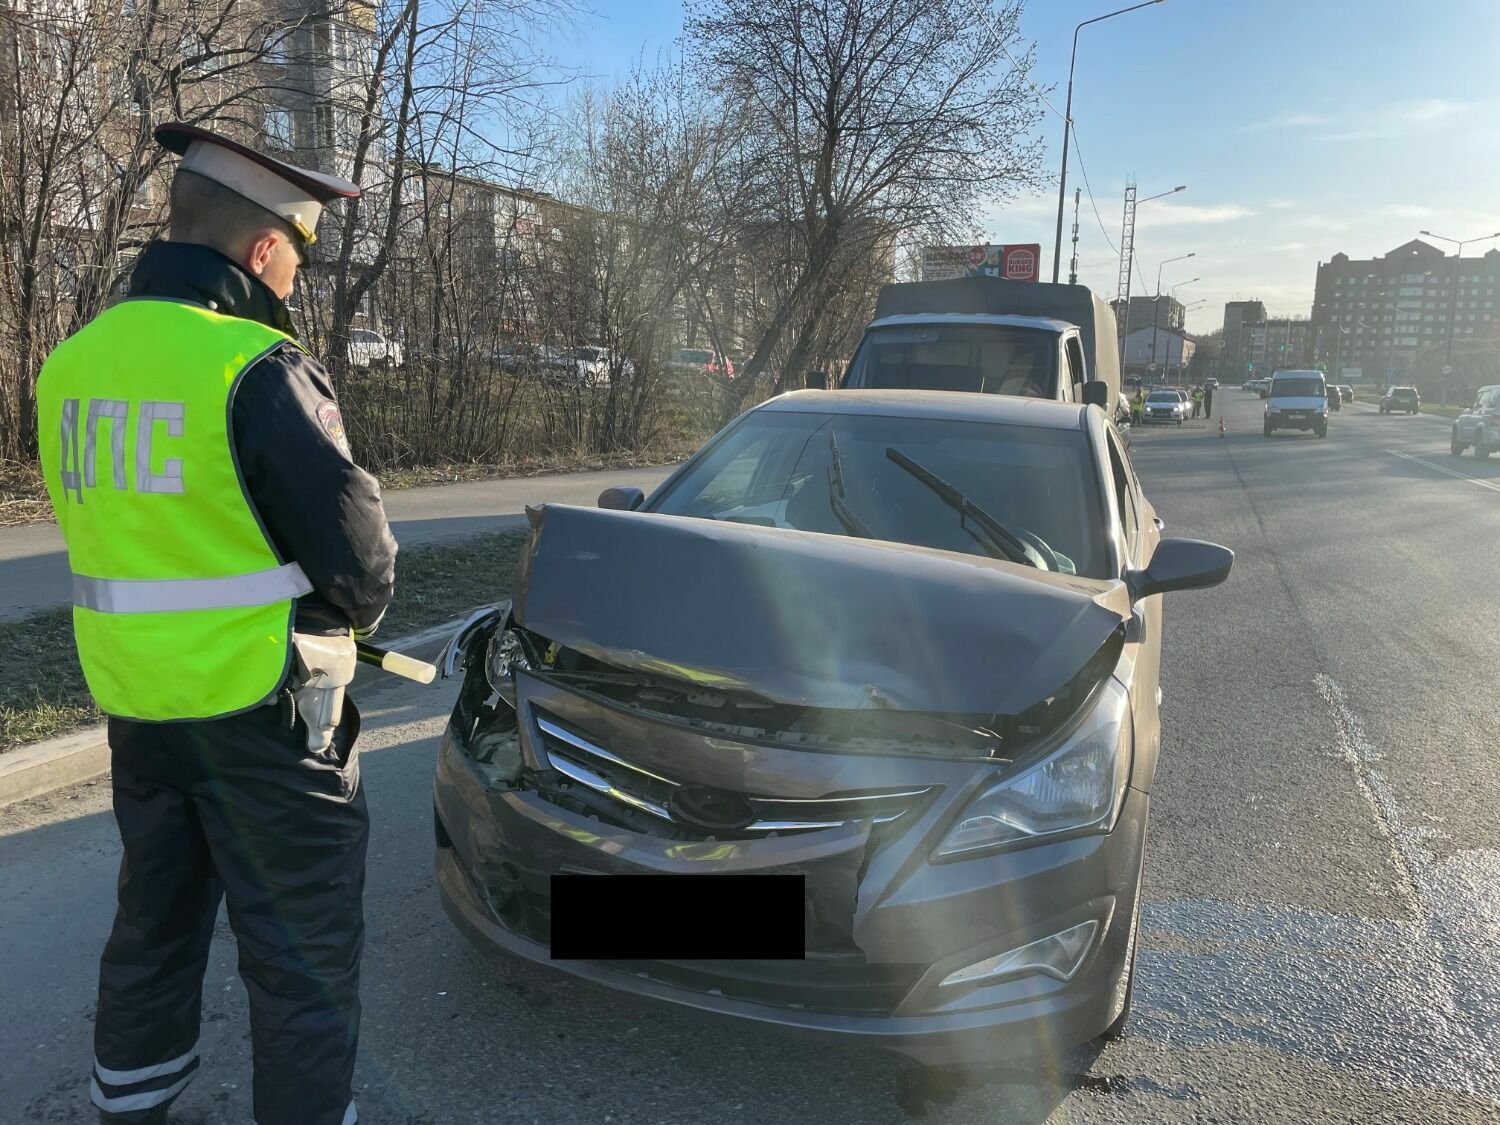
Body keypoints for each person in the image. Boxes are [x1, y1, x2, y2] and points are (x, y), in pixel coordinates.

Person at [36, 123, 398, 1125]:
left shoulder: (71, 366)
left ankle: (132, 1108)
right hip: (264, 718)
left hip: (139, 711)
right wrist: (342, 620)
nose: (294, 284)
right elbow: (360, 564)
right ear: (263, 249)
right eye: (298, 258)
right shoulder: (256, 364)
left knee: (152, 929)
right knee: (302, 959)